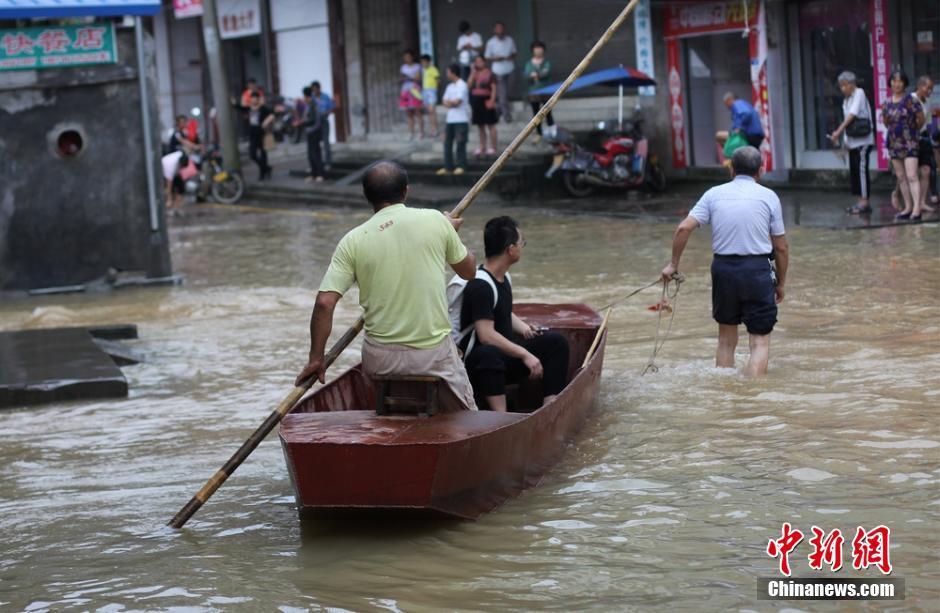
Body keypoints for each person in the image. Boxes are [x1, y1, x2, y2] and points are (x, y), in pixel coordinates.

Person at [295, 161, 478, 411]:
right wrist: (450, 233)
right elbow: (469, 271)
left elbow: (325, 303)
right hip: (431, 354)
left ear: (367, 197)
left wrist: (316, 358)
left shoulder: (352, 240)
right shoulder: (436, 221)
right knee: (467, 416)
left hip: (380, 359)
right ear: (406, 191)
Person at [660, 146, 789, 378]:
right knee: (759, 342)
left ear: (731, 169)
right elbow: (781, 246)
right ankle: (754, 400)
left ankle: (724, 394)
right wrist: (781, 282)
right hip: (757, 271)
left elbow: (683, 228)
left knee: (725, 341)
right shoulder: (769, 197)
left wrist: (673, 265)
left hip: (724, 271)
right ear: (761, 170)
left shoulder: (713, 194)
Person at [460, 216, 570, 412]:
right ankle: (501, 417)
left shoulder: (503, 276)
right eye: (521, 243)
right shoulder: (480, 285)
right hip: (477, 367)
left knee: (556, 343)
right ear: (511, 249)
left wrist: (525, 328)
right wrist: (524, 354)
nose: (522, 247)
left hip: (503, 359)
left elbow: (504, 313)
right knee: (489, 354)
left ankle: (550, 407)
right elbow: (486, 336)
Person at [828, 71, 875, 215]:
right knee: (855, 172)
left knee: (861, 172)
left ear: (852, 84)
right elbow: (848, 121)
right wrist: (845, 141)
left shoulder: (859, 93)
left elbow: (852, 115)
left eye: (845, 85)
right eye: (841, 86)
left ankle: (865, 202)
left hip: (863, 141)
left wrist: (838, 132)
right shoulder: (846, 100)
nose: (842, 88)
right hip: (853, 141)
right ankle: (860, 201)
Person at [882, 70, 925, 221]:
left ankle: (917, 209)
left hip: (910, 142)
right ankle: (907, 207)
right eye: (894, 81)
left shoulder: (911, 100)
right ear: (890, 83)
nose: (897, 84)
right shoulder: (887, 102)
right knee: (901, 177)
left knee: (912, 175)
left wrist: (913, 132)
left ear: (904, 83)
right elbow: (886, 122)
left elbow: (921, 119)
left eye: (900, 81)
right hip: (894, 143)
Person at [437, 64, 470, 176]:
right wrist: (451, 103)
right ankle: (448, 166)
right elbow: (444, 101)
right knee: (447, 143)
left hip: (461, 119)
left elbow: (457, 102)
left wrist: (450, 103)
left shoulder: (463, 85)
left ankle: (461, 166)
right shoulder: (449, 87)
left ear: (453, 73)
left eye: (448, 72)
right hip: (450, 120)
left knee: (460, 142)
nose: (447, 75)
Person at [231, 91, 274, 180]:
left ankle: (263, 173)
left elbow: (272, 115)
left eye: (255, 98)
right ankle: (266, 168)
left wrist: (265, 122)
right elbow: (240, 108)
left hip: (262, 134)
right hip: (252, 135)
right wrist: (234, 103)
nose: (254, 100)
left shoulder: (263, 108)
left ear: (258, 99)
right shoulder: (249, 108)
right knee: (252, 154)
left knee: (263, 155)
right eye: (252, 98)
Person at [484, 21, 517, 123]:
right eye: (498, 28)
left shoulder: (510, 40)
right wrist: (496, 58)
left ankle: (497, 111)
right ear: (495, 30)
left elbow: (515, 53)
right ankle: (507, 116)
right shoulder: (491, 42)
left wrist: (509, 57)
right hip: (497, 71)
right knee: (502, 95)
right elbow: (487, 57)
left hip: (509, 69)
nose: (500, 30)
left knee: (506, 93)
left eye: (502, 28)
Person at [523, 40, 555, 143]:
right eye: (536, 48)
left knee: (548, 112)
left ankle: (552, 132)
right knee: (536, 113)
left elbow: (545, 72)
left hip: (546, 90)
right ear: (532, 50)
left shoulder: (546, 62)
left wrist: (535, 75)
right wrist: (536, 75)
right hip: (534, 91)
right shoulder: (529, 63)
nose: (538, 50)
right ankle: (539, 133)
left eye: (540, 48)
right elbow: (527, 75)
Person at [913, 75, 936, 213]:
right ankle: (914, 204)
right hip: (913, 139)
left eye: (931, 89)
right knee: (912, 173)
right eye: (927, 87)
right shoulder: (911, 99)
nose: (929, 91)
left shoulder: (927, 101)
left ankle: (922, 202)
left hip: (924, 138)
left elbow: (927, 122)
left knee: (926, 171)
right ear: (919, 86)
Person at [467, 56, 498, 157]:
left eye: (480, 61)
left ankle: (493, 147)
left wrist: (492, 100)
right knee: (480, 125)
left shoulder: (490, 73)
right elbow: (468, 86)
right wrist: (472, 73)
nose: (478, 63)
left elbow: (494, 88)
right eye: (476, 61)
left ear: (484, 62)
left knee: (491, 124)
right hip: (477, 100)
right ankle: (482, 146)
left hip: (487, 99)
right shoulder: (474, 73)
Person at [399, 50, 424, 140]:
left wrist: (409, 77)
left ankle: (421, 132)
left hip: (415, 90)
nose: (407, 59)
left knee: (417, 112)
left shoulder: (417, 66)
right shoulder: (403, 67)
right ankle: (411, 132)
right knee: (409, 113)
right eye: (405, 57)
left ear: (412, 57)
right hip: (405, 90)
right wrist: (405, 78)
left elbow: (417, 79)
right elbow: (401, 78)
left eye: (408, 57)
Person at [310, 81, 336, 170]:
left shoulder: (325, 97)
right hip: (315, 122)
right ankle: (318, 163)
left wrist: (326, 113)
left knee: (326, 143)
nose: (315, 91)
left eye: (316, 89)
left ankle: (328, 162)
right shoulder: (312, 98)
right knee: (315, 144)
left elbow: (332, 108)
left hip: (324, 121)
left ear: (319, 88)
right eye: (313, 90)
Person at [301, 86, 325, 183]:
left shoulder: (314, 105)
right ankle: (313, 174)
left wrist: (303, 123)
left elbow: (314, 121)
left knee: (315, 154)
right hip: (310, 132)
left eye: (305, 97)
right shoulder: (309, 105)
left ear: (308, 97)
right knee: (310, 154)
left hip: (314, 132)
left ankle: (320, 174)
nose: (304, 99)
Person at [420, 54, 441, 138]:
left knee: (432, 110)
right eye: (422, 62)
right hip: (425, 91)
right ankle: (432, 129)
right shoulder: (423, 70)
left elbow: (438, 80)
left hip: (431, 91)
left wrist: (436, 88)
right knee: (429, 111)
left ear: (428, 62)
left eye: (424, 61)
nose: (423, 63)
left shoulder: (433, 69)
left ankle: (435, 129)